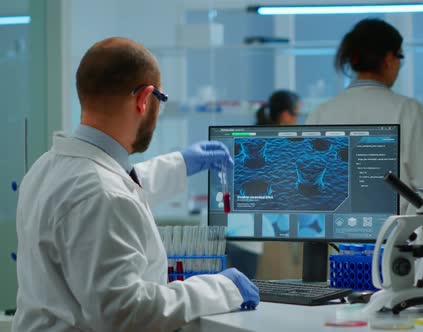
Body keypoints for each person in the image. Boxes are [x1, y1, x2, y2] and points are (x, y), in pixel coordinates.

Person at [14, 37, 259, 332]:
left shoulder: (48, 166)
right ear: (144, 98)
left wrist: (180, 163)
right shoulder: (100, 194)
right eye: (161, 100)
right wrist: (221, 288)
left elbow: (115, 187)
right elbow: (125, 312)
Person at [306, 18, 423, 214]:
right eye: (400, 57)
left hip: (338, 239)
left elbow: (311, 189)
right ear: (389, 59)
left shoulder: (320, 114)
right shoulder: (410, 111)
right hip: (398, 240)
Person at [226, 90, 301, 278]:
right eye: (296, 115)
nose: (297, 121)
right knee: (241, 289)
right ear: (285, 115)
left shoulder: (254, 139)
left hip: (235, 228)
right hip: (247, 233)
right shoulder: (274, 145)